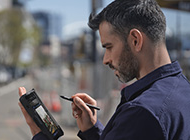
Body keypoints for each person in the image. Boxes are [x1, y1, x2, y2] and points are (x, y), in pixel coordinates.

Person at [18, 0, 190, 139]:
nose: (105, 59)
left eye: (108, 47)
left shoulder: (143, 113)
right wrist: (92, 131)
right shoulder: (183, 89)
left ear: (136, 40)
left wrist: (40, 135)